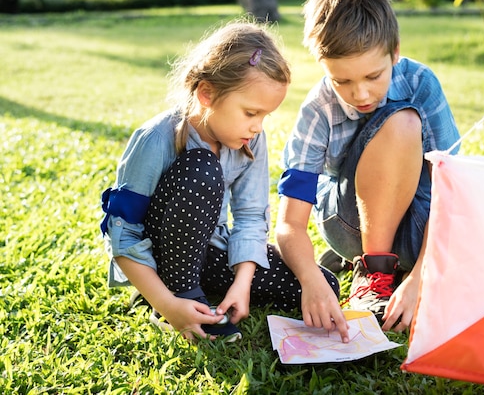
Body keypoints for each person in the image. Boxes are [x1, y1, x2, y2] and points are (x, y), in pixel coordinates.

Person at [100, 21, 340, 343]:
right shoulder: (156, 139)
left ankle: (205, 289)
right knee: (203, 168)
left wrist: (242, 283)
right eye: (251, 113)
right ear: (207, 94)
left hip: (209, 250)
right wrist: (167, 303)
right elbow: (123, 235)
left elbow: (251, 216)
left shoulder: (251, 140)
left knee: (321, 285)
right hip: (158, 258)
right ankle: (177, 299)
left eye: (265, 116)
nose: (257, 127)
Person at [274, 0, 460, 343]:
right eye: (342, 80)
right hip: (349, 224)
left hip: (421, 226)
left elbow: (454, 192)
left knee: (404, 118)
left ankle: (404, 266)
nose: (360, 94)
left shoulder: (421, 83)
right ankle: (374, 273)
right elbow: (291, 223)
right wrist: (310, 278)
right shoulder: (318, 110)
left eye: (374, 76)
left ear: (395, 52)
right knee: (402, 122)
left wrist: (423, 272)